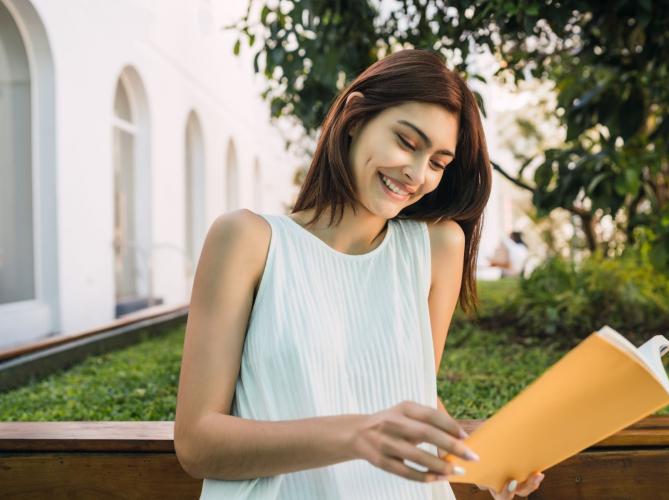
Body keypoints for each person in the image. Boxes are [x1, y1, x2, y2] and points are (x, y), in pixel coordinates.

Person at [174, 49, 545, 499]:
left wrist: (489, 463)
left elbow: (415, 395)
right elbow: (196, 443)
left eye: (438, 162)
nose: (416, 173)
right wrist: (353, 435)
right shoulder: (248, 240)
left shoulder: (438, 247)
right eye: (407, 142)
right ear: (353, 118)